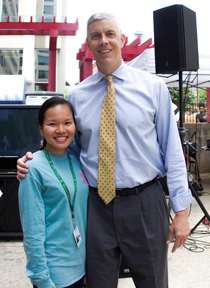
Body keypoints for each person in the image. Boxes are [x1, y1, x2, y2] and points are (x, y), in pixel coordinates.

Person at [17, 13, 193, 288]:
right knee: (98, 282)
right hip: (96, 206)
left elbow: (172, 150)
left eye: (110, 34)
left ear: (121, 40)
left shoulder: (153, 87)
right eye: (96, 36)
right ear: (88, 43)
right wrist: (36, 160)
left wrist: (181, 211)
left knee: (153, 282)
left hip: (144, 202)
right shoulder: (77, 95)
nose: (104, 41)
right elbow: (69, 149)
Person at [18, 97, 89, 288]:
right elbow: (32, 231)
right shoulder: (32, 169)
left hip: (81, 268)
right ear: (41, 129)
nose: (61, 130)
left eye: (67, 123)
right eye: (52, 124)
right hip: (54, 273)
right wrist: (41, 279)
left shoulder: (78, 162)